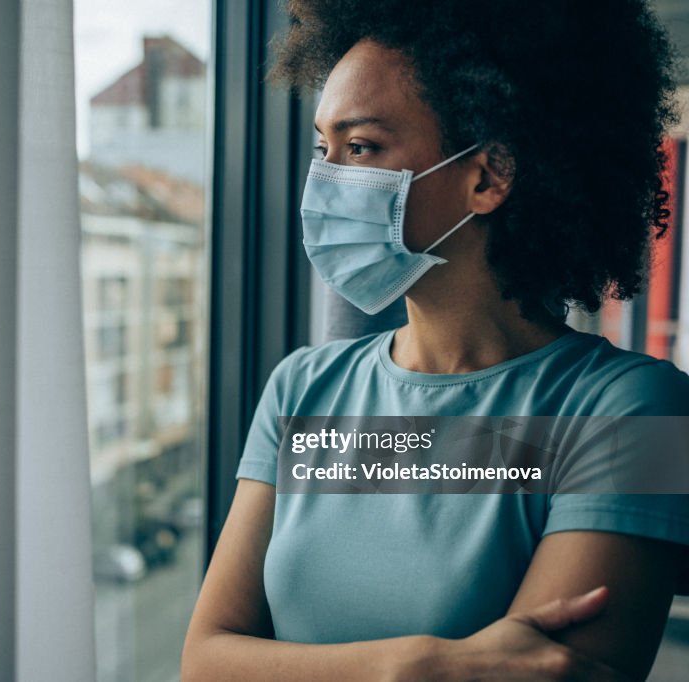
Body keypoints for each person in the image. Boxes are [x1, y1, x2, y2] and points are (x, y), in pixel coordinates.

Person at [182, 1, 689, 680]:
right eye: (321, 148)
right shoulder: (302, 388)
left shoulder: (635, 411)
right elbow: (206, 661)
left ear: (487, 175)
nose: (325, 181)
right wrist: (416, 666)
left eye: (360, 147)